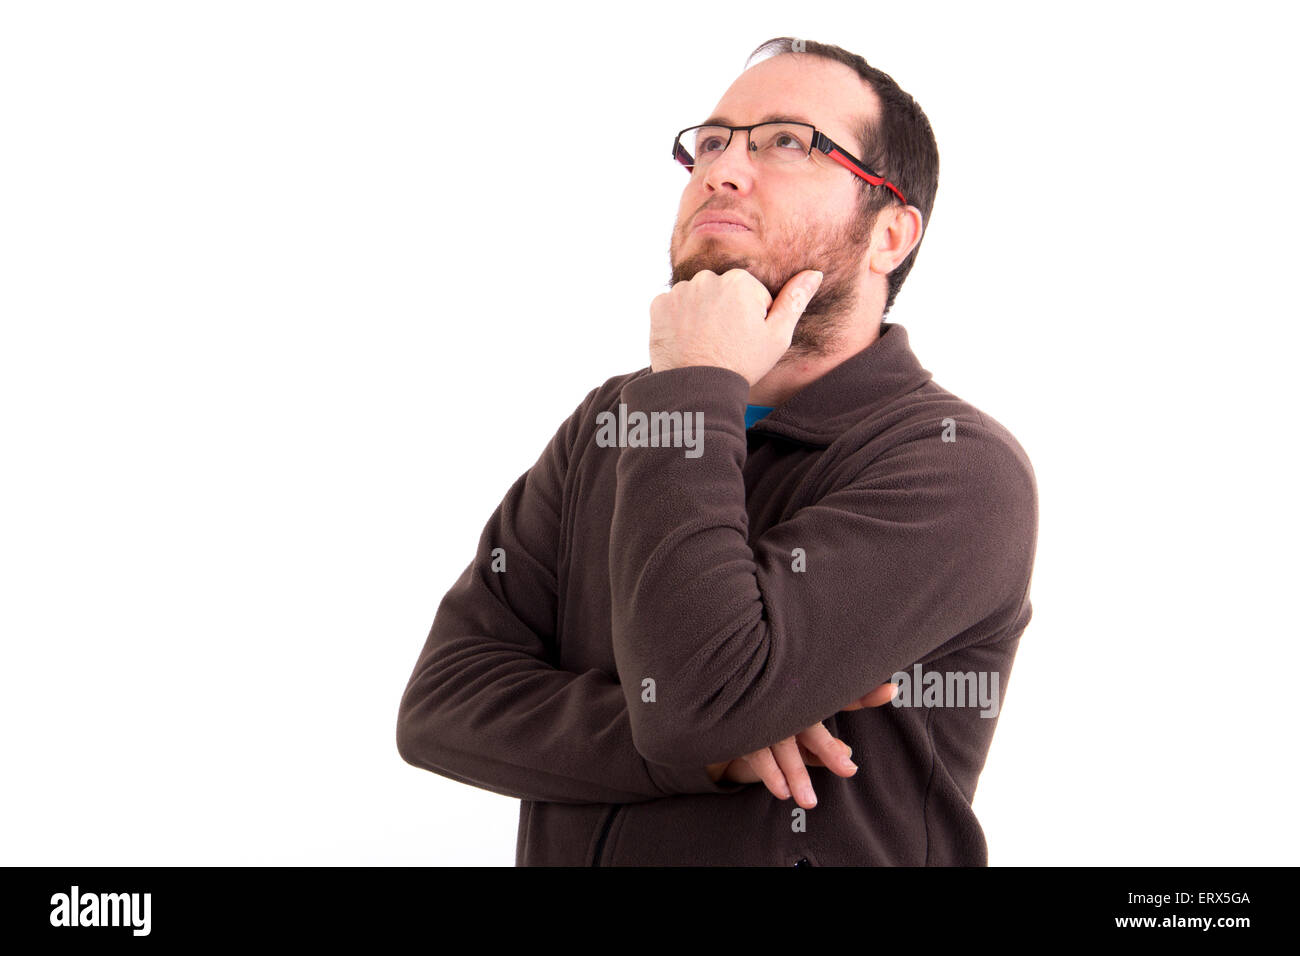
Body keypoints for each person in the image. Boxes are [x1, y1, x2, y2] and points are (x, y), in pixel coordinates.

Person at [396, 36, 1038, 866]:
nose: (721, 171)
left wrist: (697, 376)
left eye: (787, 142)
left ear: (890, 235)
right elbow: (442, 704)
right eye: (712, 141)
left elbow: (697, 698)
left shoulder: (958, 469)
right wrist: (711, 749)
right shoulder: (616, 425)